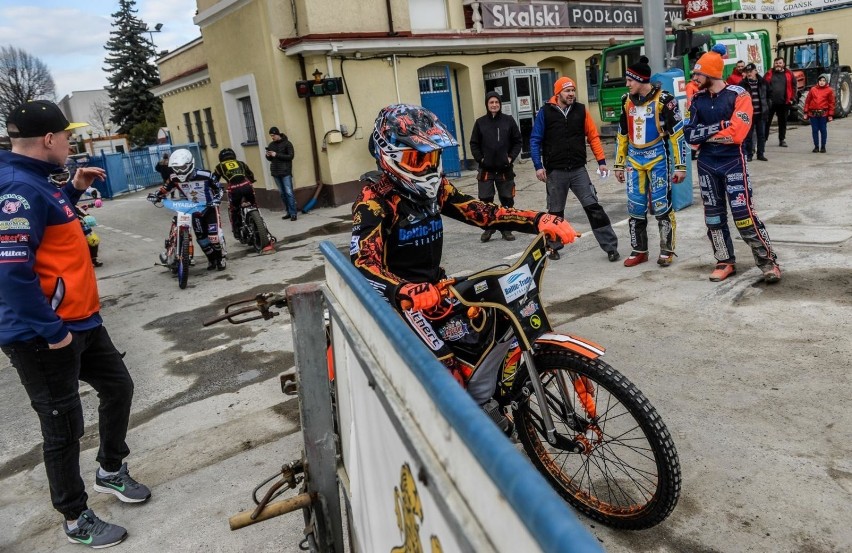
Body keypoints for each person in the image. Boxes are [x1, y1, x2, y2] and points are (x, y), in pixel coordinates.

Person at [351, 104, 577, 416]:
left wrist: (538, 219)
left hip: (437, 289)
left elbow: (483, 212)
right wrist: (404, 290)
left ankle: (495, 404)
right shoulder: (374, 202)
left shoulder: (437, 189)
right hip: (403, 302)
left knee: (495, 329)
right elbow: (363, 262)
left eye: (432, 158)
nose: (428, 167)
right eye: (417, 158)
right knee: (450, 374)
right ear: (388, 156)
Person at [0, 100, 150, 549]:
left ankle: (110, 469)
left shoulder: (41, 184)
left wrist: (75, 192)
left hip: (80, 322)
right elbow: (9, 272)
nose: (71, 142)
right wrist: (53, 332)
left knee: (118, 386)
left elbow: (53, 232)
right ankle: (74, 515)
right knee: (62, 425)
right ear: (48, 140)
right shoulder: (16, 190)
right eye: (66, 135)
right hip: (43, 335)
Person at [684, 51, 781, 284]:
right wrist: (721, 127)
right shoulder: (698, 99)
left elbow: (737, 135)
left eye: (698, 73)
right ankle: (724, 261)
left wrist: (708, 135)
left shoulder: (739, 95)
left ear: (710, 73)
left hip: (733, 162)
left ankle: (768, 262)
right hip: (707, 164)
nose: (695, 78)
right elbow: (689, 135)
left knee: (744, 216)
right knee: (713, 218)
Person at [529, 76, 620, 262]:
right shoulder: (545, 112)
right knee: (555, 213)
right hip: (555, 172)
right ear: (558, 93)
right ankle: (553, 247)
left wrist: (601, 161)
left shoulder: (580, 110)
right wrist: (538, 166)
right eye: (567, 91)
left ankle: (611, 247)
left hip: (578, 170)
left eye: (573, 90)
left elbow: (593, 137)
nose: (571, 94)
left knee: (594, 208)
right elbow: (535, 140)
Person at [613, 56, 687, 268]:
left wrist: (680, 166)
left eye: (630, 80)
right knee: (635, 207)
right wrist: (619, 163)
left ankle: (666, 250)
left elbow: (677, 135)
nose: (627, 84)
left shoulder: (665, 100)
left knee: (661, 206)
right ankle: (639, 250)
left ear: (641, 80)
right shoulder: (626, 100)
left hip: (658, 159)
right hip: (633, 161)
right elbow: (622, 134)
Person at [152, 148, 227, 270]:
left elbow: (219, 188)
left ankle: (221, 258)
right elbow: (165, 189)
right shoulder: (173, 179)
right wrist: (156, 195)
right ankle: (212, 260)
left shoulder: (206, 175)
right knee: (202, 239)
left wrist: (217, 199)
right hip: (193, 210)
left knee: (214, 237)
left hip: (209, 208)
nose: (179, 171)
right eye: (176, 168)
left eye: (182, 168)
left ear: (190, 164)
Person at [469, 91, 523, 242]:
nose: (494, 105)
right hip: (486, 169)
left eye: (497, 102)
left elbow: (518, 141)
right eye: (491, 102)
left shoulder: (509, 121)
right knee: (485, 200)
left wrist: (510, 157)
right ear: (487, 104)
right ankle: (489, 228)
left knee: (507, 200)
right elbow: (474, 144)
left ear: (500, 104)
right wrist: (481, 159)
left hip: (505, 169)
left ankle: (506, 229)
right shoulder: (480, 123)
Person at [265, 126, 297, 220]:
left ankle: (293, 213)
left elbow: (290, 156)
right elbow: (270, 159)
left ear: (278, 134)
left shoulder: (287, 143)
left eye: (273, 135)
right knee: (282, 194)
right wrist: (268, 155)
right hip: (275, 172)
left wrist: (277, 154)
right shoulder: (271, 145)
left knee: (289, 193)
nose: (272, 137)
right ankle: (288, 212)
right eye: (271, 136)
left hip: (285, 172)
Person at [739, 63, 770, 162]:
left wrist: (768, 106)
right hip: (749, 115)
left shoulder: (763, 82)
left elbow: (769, 95)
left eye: (750, 71)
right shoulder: (742, 84)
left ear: (755, 71)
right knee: (748, 136)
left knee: (761, 135)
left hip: (761, 113)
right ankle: (749, 154)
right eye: (747, 72)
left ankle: (761, 154)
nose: (749, 74)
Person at [764, 57, 797, 147]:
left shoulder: (789, 74)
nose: (778, 64)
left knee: (782, 122)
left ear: (783, 64)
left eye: (780, 63)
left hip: (784, 102)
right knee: (767, 122)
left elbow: (794, 86)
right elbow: (763, 86)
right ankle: (764, 139)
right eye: (776, 63)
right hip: (770, 103)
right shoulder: (768, 74)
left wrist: (792, 98)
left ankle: (782, 139)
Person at [802, 75, 835, 153]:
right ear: (818, 81)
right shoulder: (813, 89)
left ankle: (823, 146)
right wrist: (806, 112)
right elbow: (807, 101)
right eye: (820, 80)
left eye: (823, 81)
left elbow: (831, 103)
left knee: (823, 130)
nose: (822, 82)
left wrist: (830, 114)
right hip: (813, 114)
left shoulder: (829, 90)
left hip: (823, 114)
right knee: (815, 130)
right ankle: (816, 146)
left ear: (826, 82)